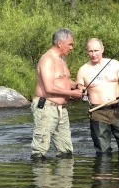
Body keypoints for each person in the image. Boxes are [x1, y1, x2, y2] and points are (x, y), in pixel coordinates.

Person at [31, 28, 85, 159]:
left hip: (61, 110)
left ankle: (64, 178)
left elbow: (64, 80)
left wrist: (77, 86)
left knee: (66, 150)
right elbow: (49, 87)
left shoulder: (62, 59)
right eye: (70, 44)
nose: (72, 47)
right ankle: (41, 177)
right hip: (46, 108)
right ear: (60, 43)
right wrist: (73, 94)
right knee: (40, 150)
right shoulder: (47, 59)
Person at [76, 38, 119, 154]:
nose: (93, 54)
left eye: (96, 50)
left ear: (102, 49)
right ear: (87, 52)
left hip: (117, 109)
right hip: (97, 112)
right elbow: (79, 89)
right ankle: (103, 171)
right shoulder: (83, 70)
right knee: (103, 151)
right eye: (90, 51)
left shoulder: (115, 64)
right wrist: (82, 92)